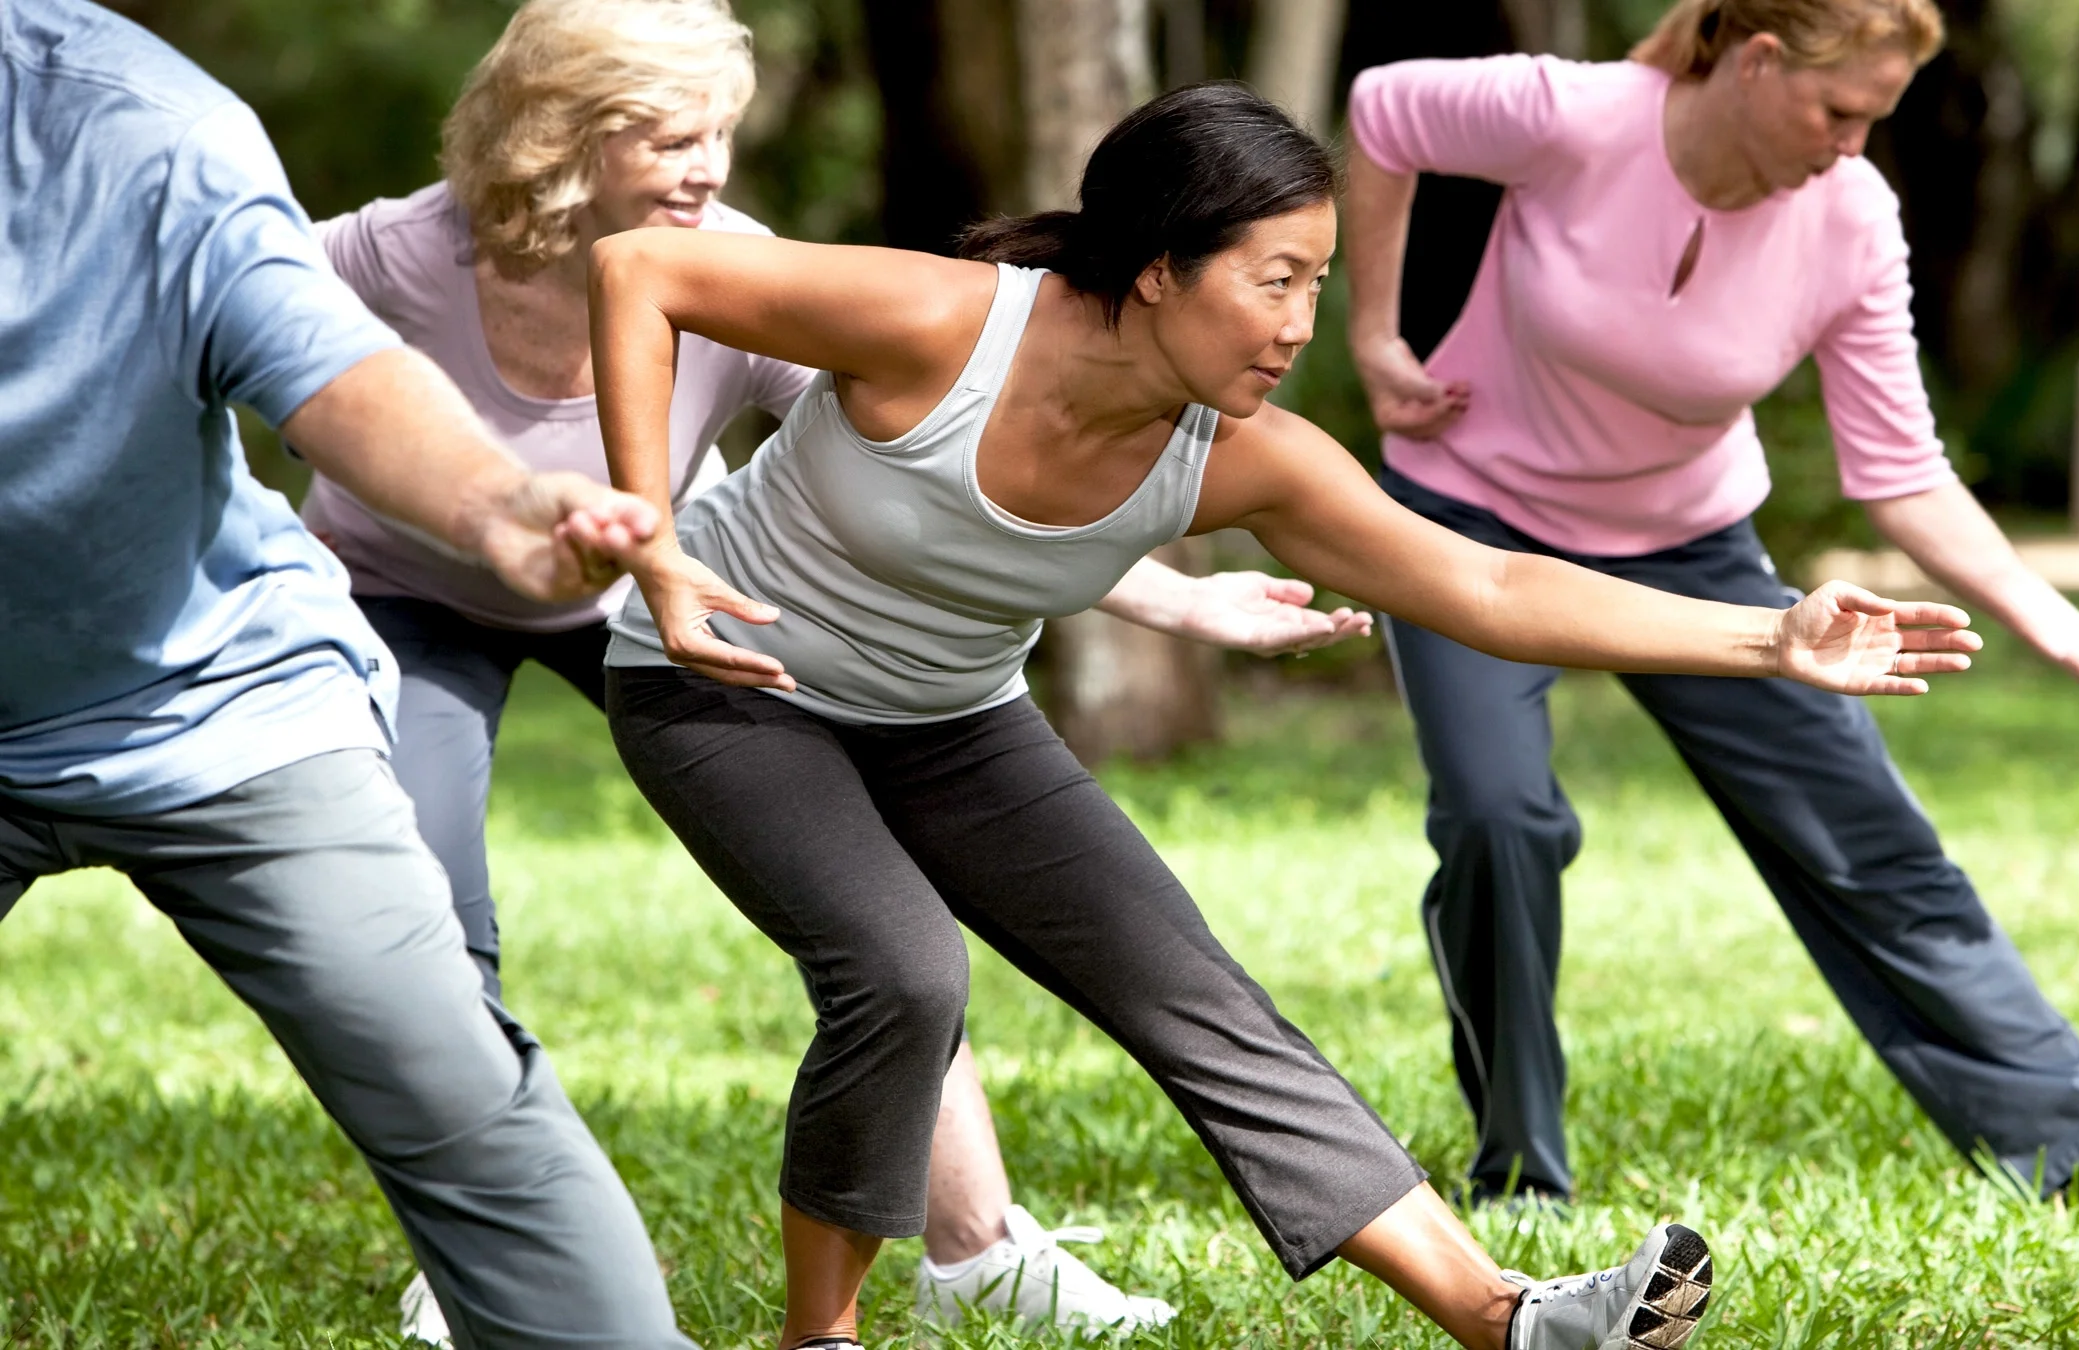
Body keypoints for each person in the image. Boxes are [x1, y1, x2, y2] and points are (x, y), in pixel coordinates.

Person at [584, 81, 1980, 1350]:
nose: (1303, 324)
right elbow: (641, 268)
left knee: (1193, 987)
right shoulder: (939, 323)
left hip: (952, 715)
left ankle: (1502, 1318)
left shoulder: (1238, 460)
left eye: (1317, 280)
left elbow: (1485, 583)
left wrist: (1766, 636)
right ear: (1157, 268)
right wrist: (655, 540)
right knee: (904, 970)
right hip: (725, 680)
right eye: (1276, 280)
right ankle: (816, 1337)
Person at [301, 3, 1360, 1339]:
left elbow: (931, 492)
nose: (708, 168)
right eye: (672, 135)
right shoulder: (391, 255)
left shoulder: (733, 265)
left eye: (723, 135)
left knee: (884, 929)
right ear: (552, 133)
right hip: (409, 593)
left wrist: (1178, 600)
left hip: (658, 585)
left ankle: (974, 1246)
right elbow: (220, 342)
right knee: (432, 913)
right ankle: (485, 1254)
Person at [1340, 0, 2079, 1214]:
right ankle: (1522, 1176)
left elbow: (1899, 471)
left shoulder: (1850, 219)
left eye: (1875, 120)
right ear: (1756, 57)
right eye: (1839, 112)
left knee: (1860, 826)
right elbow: (1381, 115)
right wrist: (1372, 331)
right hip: (1465, 520)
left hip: (1689, 542)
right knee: (1496, 818)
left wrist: (2073, 630)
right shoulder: (1577, 116)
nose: (1853, 145)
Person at [0, 1, 698, 1344]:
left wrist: (503, 506)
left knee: (463, 1108)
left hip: (210, 711)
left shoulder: (145, 131)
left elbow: (333, 364)